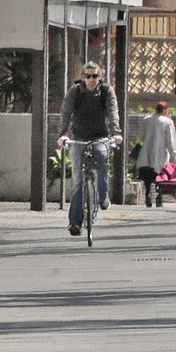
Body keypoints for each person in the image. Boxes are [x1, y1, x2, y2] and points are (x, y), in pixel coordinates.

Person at [58, 61, 121, 236]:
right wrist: (63, 135)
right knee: (78, 181)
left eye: (95, 76)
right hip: (79, 138)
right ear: (83, 78)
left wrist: (116, 133)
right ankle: (74, 223)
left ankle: (103, 194)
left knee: (102, 157)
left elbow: (113, 112)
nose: (91, 79)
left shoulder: (106, 92)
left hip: (100, 136)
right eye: (88, 76)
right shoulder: (75, 92)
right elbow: (66, 112)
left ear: (100, 77)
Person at [135, 101, 176, 208]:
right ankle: (159, 198)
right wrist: (174, 156)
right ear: (165, 110)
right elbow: (171, 141)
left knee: (147, 178)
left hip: (146, 152)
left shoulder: (146, 120)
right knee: (160, 177)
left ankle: (147, 195)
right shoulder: (168, 122)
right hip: (160, 154)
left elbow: (140, 137)